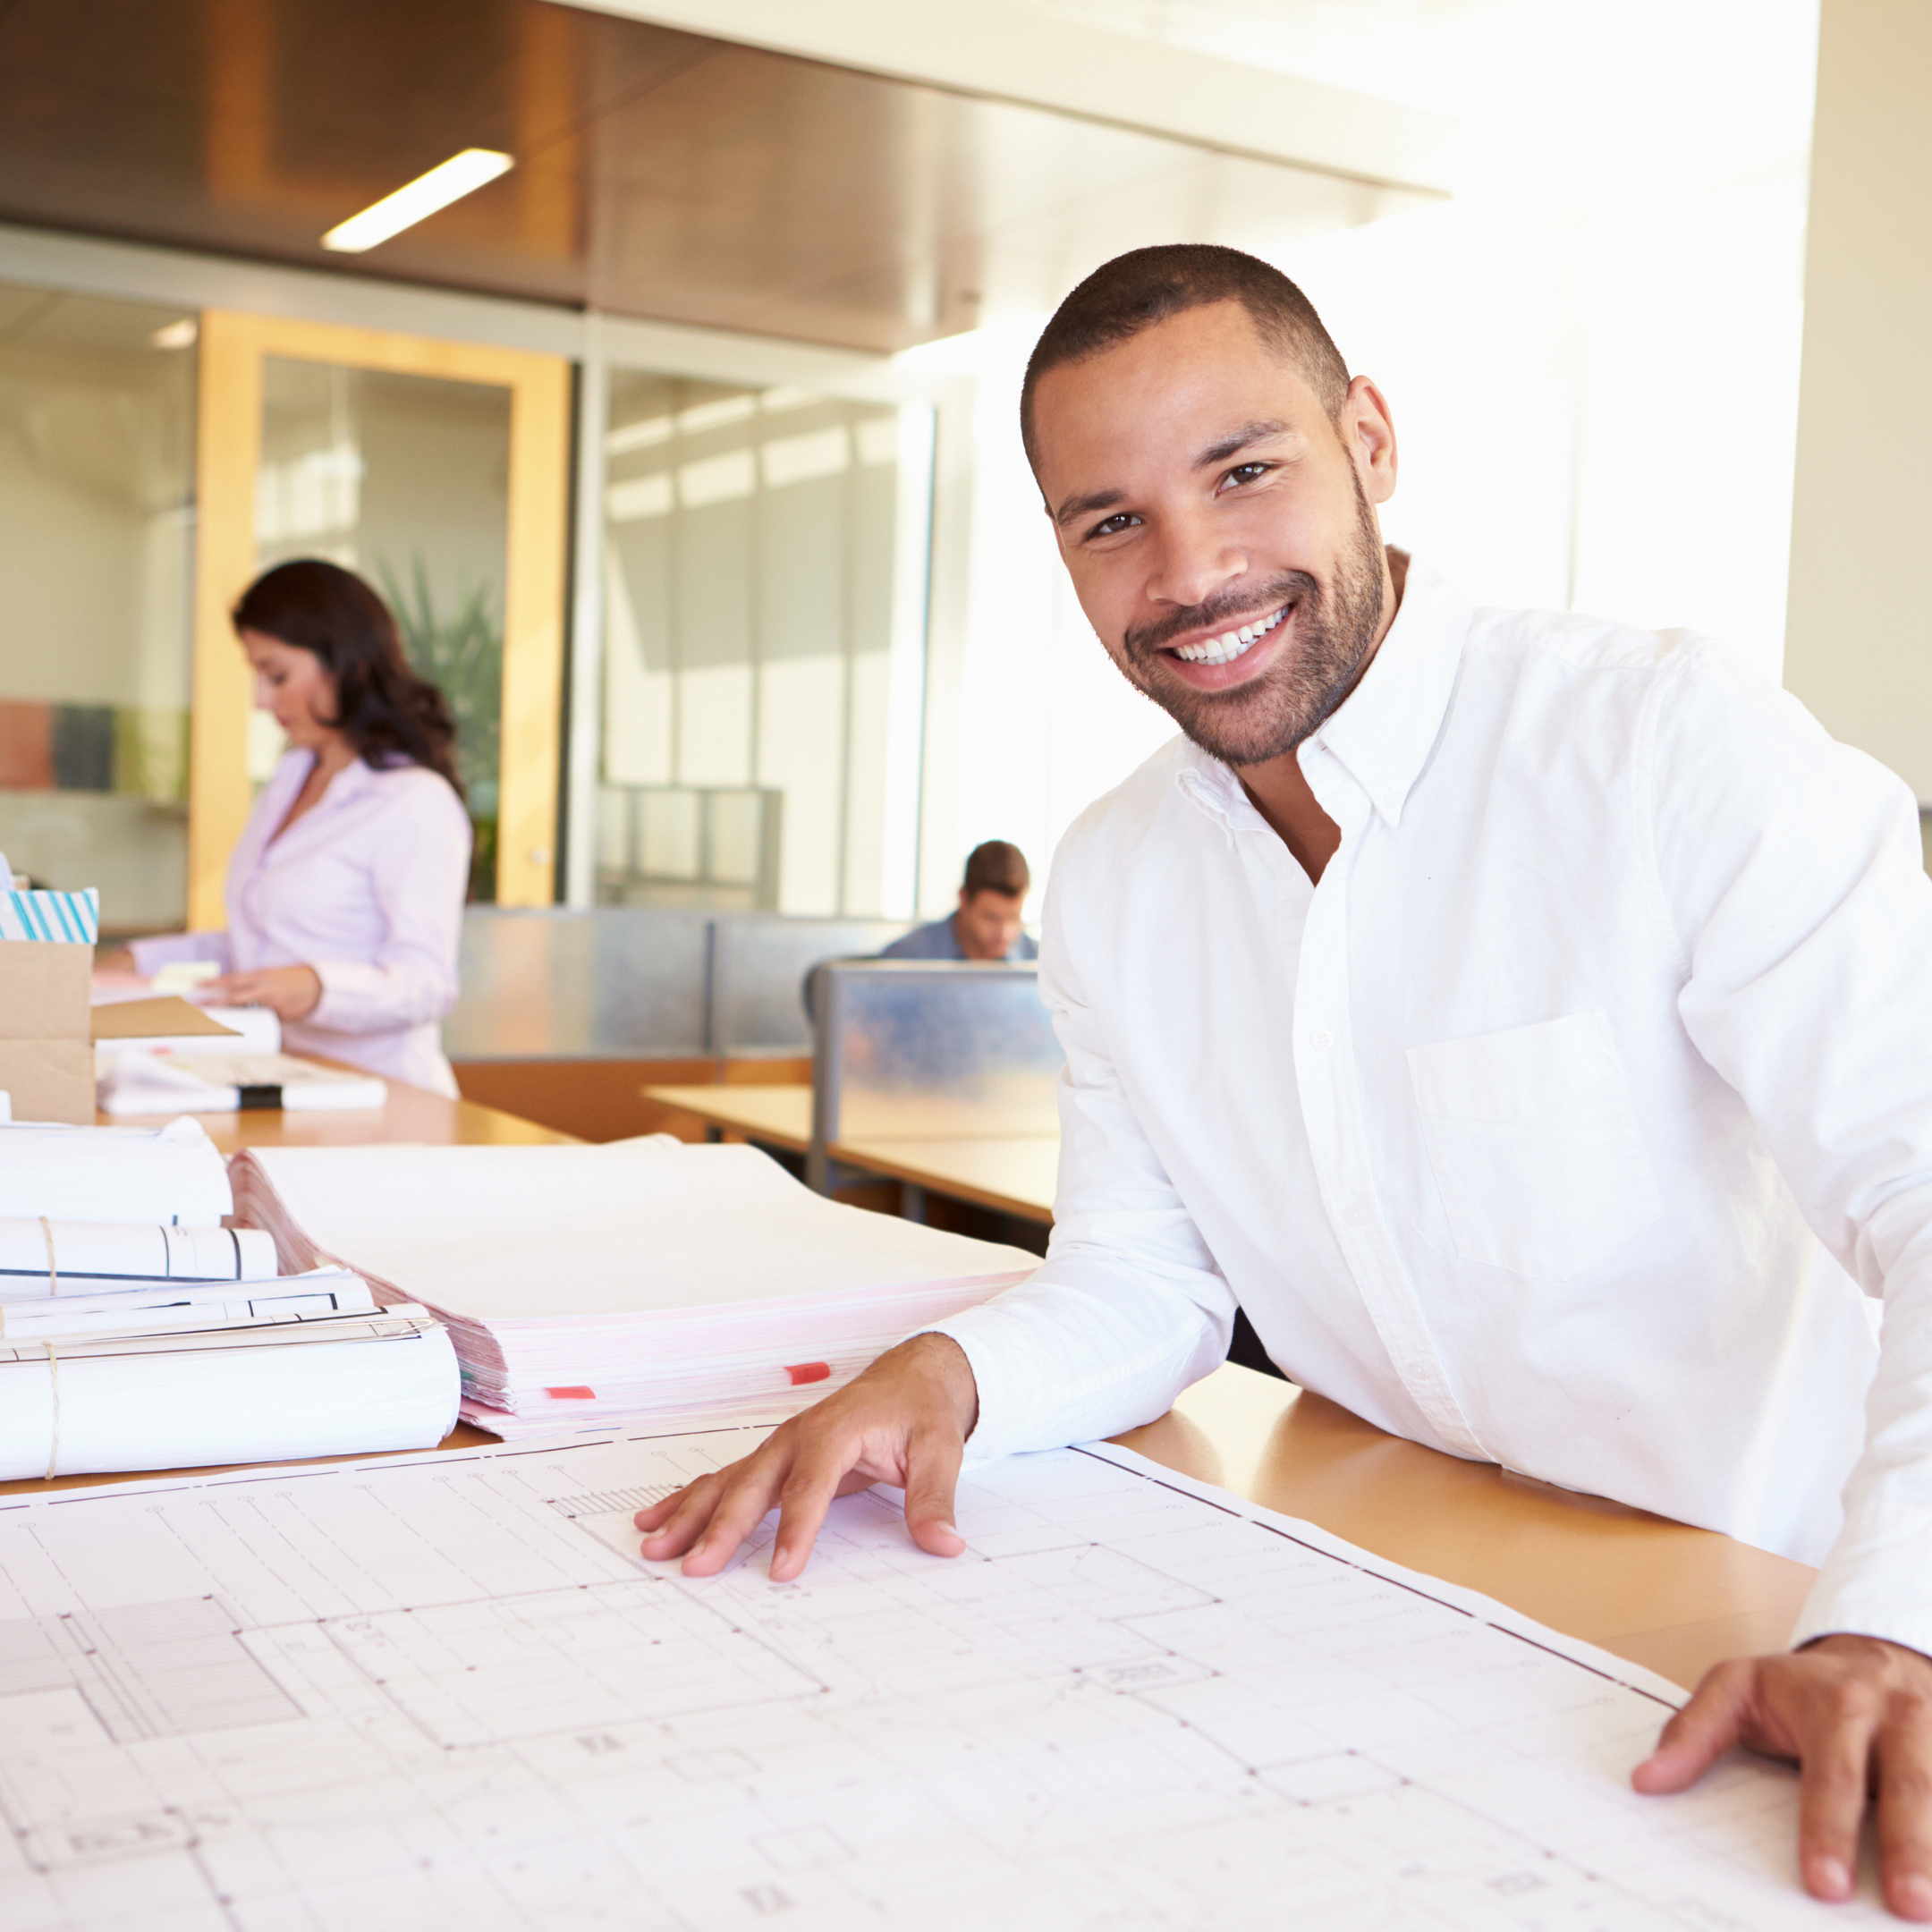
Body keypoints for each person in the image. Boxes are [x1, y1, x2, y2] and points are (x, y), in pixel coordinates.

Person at [639, 245, 1932, 1915]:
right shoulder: (1109, 877)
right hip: (1388, 1615)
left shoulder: (1664, 744)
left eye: (1244, 471)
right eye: (1110, 521)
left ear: (1370, 443)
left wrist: (1893, 1614)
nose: (1190, 570)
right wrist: (954, 1376)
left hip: (1766, 1615)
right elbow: (1144, 1283)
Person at [130, 559, 472, 1097]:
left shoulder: (413, 802)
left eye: (277, 675)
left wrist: (318, 987)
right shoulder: (292, 776)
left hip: (385, 1098)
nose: (261, 700)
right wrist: (137, 961)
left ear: (347, 662)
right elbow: (264, 946)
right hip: (281, 1082)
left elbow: (427, 985)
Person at [880, 841, 1038, 962]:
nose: (1004, 933)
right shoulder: (905, 961)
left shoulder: (1040, 964)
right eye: (991, 917)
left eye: (1013, 917)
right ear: (963, 899)